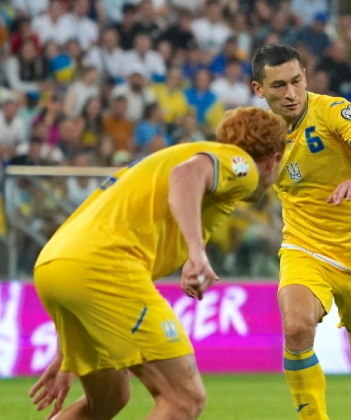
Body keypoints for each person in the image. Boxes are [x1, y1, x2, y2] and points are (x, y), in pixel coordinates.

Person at [28, 107, 287, 419]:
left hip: (56, 267)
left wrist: (67, 347)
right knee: (184, 398)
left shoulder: (168, 158)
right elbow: (187, 176)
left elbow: (91, 238)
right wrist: (196, 252)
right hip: (104, 268)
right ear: (273, 157)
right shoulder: (241, 164)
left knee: (109, 399)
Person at [250, 44, 351, 420]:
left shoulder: (332, 111)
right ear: (259, 90)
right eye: (278, 86)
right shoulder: (257, 134)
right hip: (305, 247)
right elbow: (251, 194)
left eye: (296, 81)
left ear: (306, 76)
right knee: (297, 326)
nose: (290, 93)